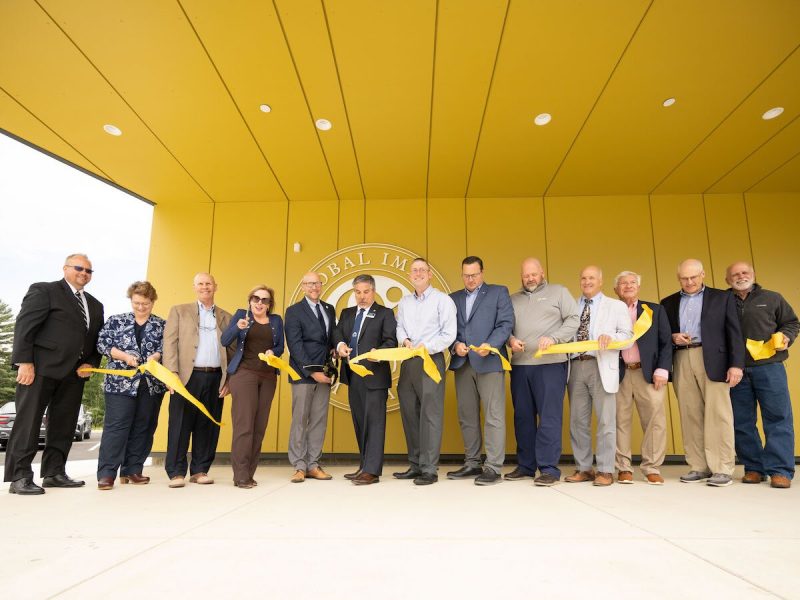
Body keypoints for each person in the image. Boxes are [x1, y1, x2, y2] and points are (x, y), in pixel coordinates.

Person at [5, 253, 104, 495]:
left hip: (74, 375)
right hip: (40, 370)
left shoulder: (95, 304)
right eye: (79, 268)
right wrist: (24, 362)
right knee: (28, 423)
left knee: (64, 425)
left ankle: (54, 473)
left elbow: (95, 340)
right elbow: (25, 326)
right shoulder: (44, 291)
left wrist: (90, 362)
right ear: (65, 268)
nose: (84, 273)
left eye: (89, 271)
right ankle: (20, 476)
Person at [661, 259, 744, 487]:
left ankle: (722, 468)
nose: (689, 282)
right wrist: (673, 337)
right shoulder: (667, 302)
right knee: (690, 414)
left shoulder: (722, 297)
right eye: (684, 278)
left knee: (719, 414)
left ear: (703, 275)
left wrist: (736, 365)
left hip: (714, 359)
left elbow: (734, 333)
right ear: (679, 278)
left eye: (693, 277)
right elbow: (663, 334)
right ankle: (698, 466)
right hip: (682, 357)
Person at [725, 261, 798, 489]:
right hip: (736, 369)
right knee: (742, 421)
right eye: (735, 274)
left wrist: (786, 337)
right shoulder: (722, 301)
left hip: (770, 366)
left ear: (753, 275)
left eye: (745, 272)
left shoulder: (773, 298)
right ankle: (753, 468)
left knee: (777, 417)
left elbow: (791, 323)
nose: (740, 276)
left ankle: (780, 470)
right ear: (728, 280)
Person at [507, 257, 579, 486]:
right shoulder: (513, 299)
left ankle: (548, 468)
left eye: (533, 274)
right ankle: (526, 466)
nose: (530, 278)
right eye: (526, 274)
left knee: (549, 416)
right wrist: (510, 340)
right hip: (520, 365)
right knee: (523, 417)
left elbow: (573, 318)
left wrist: (555, 338)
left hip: (551, 364)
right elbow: (506, 328)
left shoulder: (559, 292)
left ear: (542, 273)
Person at [447, 256, 514, 486]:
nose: (470, 279)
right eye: (466, 275)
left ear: (482, 273)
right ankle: (472, 462)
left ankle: (493, 467)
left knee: (493, 416)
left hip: (490, 362)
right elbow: (448, 329)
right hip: (463, 364)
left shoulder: (498, 292)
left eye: (474, 275)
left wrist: (491, 344)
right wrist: (454, 345)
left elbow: (505, 323)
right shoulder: (452, 298)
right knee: (467, 416)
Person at [162, 273, 232, 488]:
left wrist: (229, 379)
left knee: (207, 425)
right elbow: (169, 343)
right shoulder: (179, 311)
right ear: (194, 287)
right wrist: (171, 373)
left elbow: (232, 350)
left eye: (208, 283)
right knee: (180, 424)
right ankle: (176, 472)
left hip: (215, 377)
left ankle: (200, 470)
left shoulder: (226, 317)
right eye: (200, 284)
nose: (205, 287)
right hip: (185, 378)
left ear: (215, 286)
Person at [95, 281, 166, 490]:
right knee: (116, 427)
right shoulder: (116, 321)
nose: (141, 307)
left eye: (145, 303)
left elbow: (166, 348)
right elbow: (102, 344)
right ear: (131, 300)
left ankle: (132, 470)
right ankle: (107, 474)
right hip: (119, 385)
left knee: (144, 427)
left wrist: (156, 356)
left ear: (152, 301)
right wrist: (124, 356)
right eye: (137, 303)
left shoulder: (162, 324)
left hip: (150, 384)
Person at [566, 266, 632, 487]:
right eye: (583, 278)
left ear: (601, 281)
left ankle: (605, 470)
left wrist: (610, 337)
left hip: (601, 365)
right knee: (578, 421)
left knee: (605, 421)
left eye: (591, 278)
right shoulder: (572, 306)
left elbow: (628, 336)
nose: (587, 281)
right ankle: (584, 468)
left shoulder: (616, 306)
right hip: (575, 366)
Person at [394, 257, 457, 485]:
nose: (418, 273)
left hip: (431, 359)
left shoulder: (443, 301)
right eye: (414, 270)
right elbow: (399, 326)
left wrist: (426, 347)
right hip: (409, 360)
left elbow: (449, 334)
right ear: (410, 275)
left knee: (431, 414)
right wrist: (405, 340)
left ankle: (429, 469)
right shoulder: (404, 302)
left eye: (422, 270)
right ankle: (415, 464)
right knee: (410, 413)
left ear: (430, 274)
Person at [333, 275, 398, 485]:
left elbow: (391, 341)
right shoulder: (347, 313)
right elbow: (337, 334)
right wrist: (341, 345)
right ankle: (364, 466)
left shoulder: (385, 313)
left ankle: (372, 470)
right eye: (358, 292)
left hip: (374, 376)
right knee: (360, 422)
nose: (362, 296)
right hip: (353, 375)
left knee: (375, 423)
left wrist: (378, 352)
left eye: (366, 291)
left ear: (374, 291)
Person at [220, 285, 284, 489]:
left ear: (269, 305)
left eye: (264, 300)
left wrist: (274, 352)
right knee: (244, 425)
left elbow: (280, 346)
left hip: (268, 376)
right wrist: (237, 327)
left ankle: (249, 472)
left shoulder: (276, 321)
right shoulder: (241, 316)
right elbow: (225, 340)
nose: (259, 302)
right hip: (244, 374)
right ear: (250, 300)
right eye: (256, 298)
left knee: (259, 427)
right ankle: (240, 475)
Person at [613, 271, 672, 485]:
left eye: (632, 283)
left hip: (648, 374)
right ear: (616, 289)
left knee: (655, 421)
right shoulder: (610, 311)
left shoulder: (653, 310)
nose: (628, 286)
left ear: (638, 287)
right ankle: (623, 467)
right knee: (620, 421)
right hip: (619, 373)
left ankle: (651, 467)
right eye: (623, 283)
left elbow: (666, 342)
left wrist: (663, 369)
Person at [284, 272, 336, 483]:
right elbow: (295, 346)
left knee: (319, 420)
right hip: (303, 374)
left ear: (321, 285)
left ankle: (313, 464)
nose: (314, 287)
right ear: (303, 286)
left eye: (317, 283)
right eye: (309, 284)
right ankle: (299, 465)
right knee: (300, 420)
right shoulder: (294, 311)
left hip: (324, 373)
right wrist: (312, 372)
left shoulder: (329, 309)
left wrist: (334, 349)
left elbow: (330, 337)